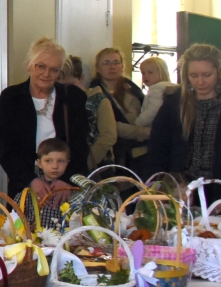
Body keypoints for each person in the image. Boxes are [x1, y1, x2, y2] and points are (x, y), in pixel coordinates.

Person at [0, 37, 90, 197]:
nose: (46, 74)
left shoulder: (73, 97)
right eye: (41, 66)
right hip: (25, 184)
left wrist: (66, 181)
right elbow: (7, 150)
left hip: (65, 184)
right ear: (29, 66)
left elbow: (80, 146)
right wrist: (31, 180)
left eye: (54, 69)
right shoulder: (11, 98)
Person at [146, 44, 221, 191]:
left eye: (207, 75)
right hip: (181, 188)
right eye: (193, 76)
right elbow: (158, 149)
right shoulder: (174, 102)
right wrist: (160, 184)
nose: (200, 82)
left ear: (218, 72)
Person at [89, 47, 148, 168]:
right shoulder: (94, 92)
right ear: (98, 68)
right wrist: (142, 132)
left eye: (116, 62)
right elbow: (109, 126)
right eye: (106, 63)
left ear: (122, 66)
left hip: (142, 150)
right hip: (114, 154)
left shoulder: (131, 87)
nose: (112, 67)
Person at [63, 55, 117, 169]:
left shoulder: (99, 100)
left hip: (96, 164)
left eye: (70, 85)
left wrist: (88, 162)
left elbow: (108, 136)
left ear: (81, 78)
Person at [30, 138, 72, 230]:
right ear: (39, 163)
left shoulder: (71, 191)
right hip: (35, 240)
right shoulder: (30, 190)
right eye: (49, 161)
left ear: (67, 163)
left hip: (65, 240)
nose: (55, 166)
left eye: (60, 161)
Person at [136, 56, 179, 128]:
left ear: (161, 72)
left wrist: (138, 122)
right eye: (143, 73)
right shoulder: (170, 87)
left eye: (150, 72)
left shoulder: (158, 89)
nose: (145, 76)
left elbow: (152, 111)